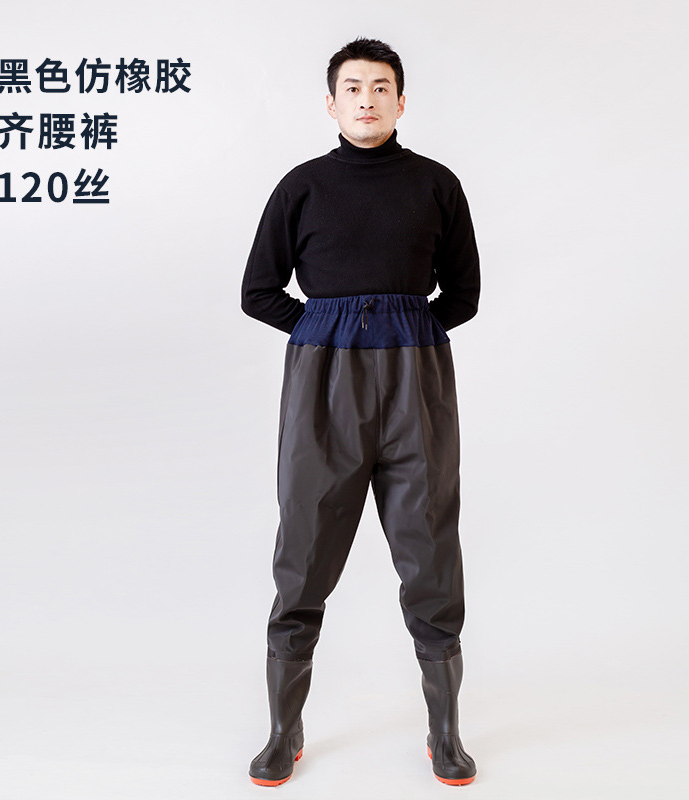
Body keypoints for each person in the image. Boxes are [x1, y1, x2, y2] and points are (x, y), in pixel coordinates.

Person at [241, 37, 481, 787]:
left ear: (400, 102)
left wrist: (401, 326)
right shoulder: (302, 187)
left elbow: (464, 294)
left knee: (430, 548)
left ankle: (445, 731)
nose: (367, 99)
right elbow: (258, 291)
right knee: (304, 549)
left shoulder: (436, 184)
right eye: (353, 88)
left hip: (416, 378)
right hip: (324, 383)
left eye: (381, 87)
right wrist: (325, 327)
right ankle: (283, 730)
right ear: (331, 103)